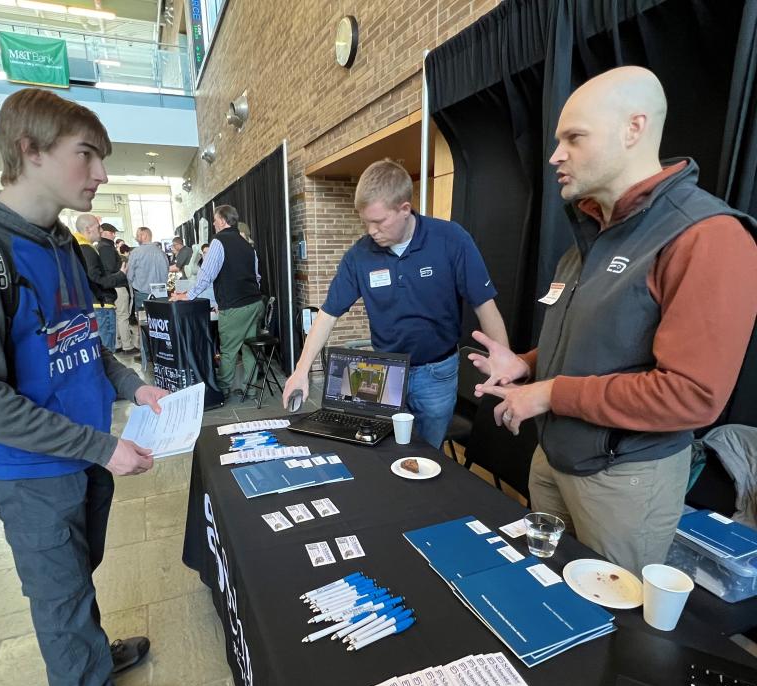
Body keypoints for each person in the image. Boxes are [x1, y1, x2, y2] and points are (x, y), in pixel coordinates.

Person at [470, 66, 757, 574]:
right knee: (551, 591)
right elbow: (592, 344)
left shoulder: (707, 236)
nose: (555, 155)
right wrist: (526, 364)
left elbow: (691, 396)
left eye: (574, 138)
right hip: (553, 461)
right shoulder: (591, 235)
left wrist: (549, 393)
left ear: (634, 129)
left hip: (625, 481)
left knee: (613, 632)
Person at [0, 87, 173, 686]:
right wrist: (101, 447)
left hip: (81, 455)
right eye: (88, 155)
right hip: (30, 470)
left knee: (76, 578)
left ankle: (87, 658)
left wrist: (137, 389)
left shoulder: (63, 244)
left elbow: (83, 342)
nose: (102, 174)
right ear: (31, 150)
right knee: (59, 593)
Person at [282, 159, 508, 449]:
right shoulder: (359, 256)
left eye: (379, 222)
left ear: (404, 209)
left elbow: (485, 307)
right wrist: (302, 370)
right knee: (381, 452)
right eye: (366, 222)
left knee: (427, 456)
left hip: (436, 373)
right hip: (384, 374)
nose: (372, 230)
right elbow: (327, 315)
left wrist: (503, 365)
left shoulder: (451, 239)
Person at [172, 205, 262, 401]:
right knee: (249, 347)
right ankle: (252, 389)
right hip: (255, 303)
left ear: (222, 220)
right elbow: (256, 277)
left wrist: (188, 295)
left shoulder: (218, 242)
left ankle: (222, 389)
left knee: (228, 351)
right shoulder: (248, 246)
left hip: (235, 306)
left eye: (215, 220)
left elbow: (206, 275)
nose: (213, 223)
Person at [74, 214, 119, 352]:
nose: (101, 231)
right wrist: (120, 276)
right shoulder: (86, 250)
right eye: (98, 227)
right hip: (101, 304)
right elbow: (95, 278)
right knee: (106, 349)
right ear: (88, 229)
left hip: (94, 303)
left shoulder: (79, 248)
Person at [126, 226, 168, 366]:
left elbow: (129, 275)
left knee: (144, 325)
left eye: (137, 234)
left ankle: (147, 355)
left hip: (143, 294)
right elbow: (166, 273)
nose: (136, 237)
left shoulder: (136, 253)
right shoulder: (161, 253)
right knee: (161, 325)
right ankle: (161, 353)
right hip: (161, 294)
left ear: (144, 235)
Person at [99, 221, 137, 354]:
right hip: (117, 285)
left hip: (112, 285)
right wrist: (123, 270)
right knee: (123, 316)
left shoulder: (103, 246)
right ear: (103, 232)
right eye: (111, 232)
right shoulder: (106, 247)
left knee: (117, 316)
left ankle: (118, 343)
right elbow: (110, 268)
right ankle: (127, 346)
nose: (114, 235)